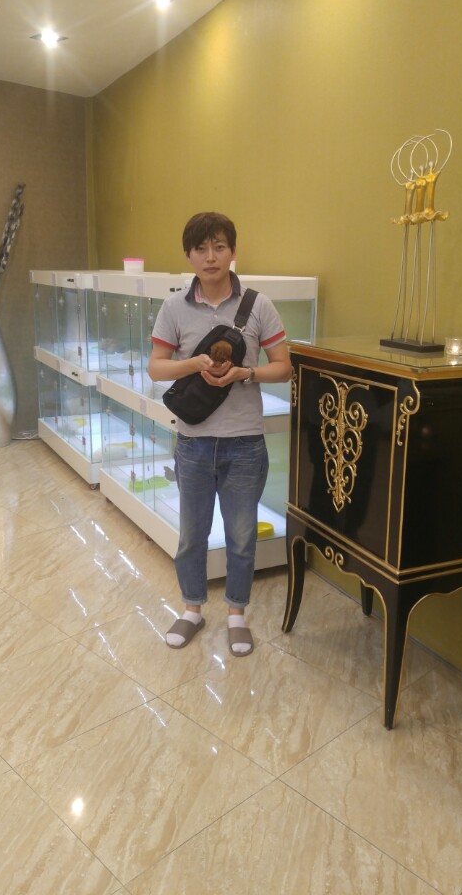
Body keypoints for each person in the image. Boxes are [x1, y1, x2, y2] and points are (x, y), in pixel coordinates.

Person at [147, 212, 292, 656]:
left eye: (219, 247)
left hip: (245, 443)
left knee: (242, 536)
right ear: (188, 255)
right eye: (201, 248)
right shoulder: (174, 307)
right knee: (192, 534)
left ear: (232, 252)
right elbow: (156, 368)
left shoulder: (258, 305)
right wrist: (194, 364)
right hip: (193, 442)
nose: (210, 257)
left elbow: (284, 367)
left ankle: (236, 615)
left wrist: (245, 373)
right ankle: (192, 609)